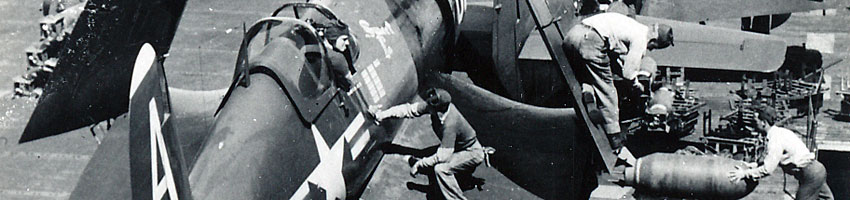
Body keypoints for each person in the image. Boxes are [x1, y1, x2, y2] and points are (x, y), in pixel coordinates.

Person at [563, 12, 674, 152]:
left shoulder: (633, 26)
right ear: (654, 41)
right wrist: (636, 84)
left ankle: (587, 90)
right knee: (607, 89)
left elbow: (614, 56)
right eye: (653, 47)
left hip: (573, 36)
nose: (650, 49)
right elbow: (628, 73)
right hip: (591, 41)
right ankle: (614, 135)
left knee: (590, 72)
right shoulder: (641, 39)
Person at [371, 88, 484, 200]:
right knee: (432, 159)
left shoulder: (450, 124)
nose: (426, 107)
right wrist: (382, 115)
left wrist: (419, 164)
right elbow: (408, 110)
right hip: (457, 148)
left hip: (471, 153)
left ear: (439, 110)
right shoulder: (436, 107)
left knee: (441, 169)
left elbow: (443, 156)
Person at [728, 106, 834, 200]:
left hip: (810, 173)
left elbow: (767, 169)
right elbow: (769, 159)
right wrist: (753, 165)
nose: (754, 124)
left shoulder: (775, 139)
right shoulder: (780, 132)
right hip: (817, 169)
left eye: (756, 121)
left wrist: (744, 174)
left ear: (764, 123)